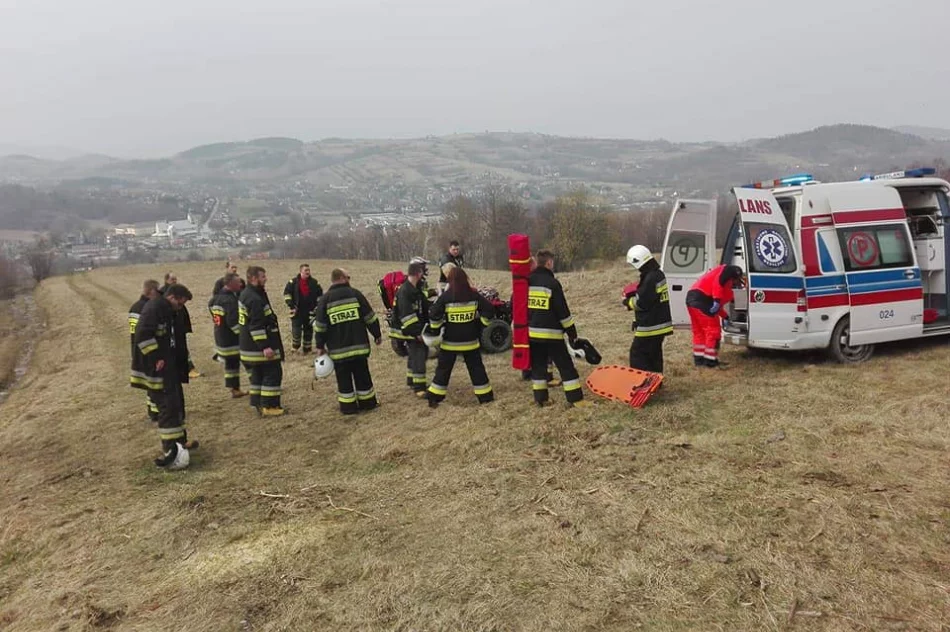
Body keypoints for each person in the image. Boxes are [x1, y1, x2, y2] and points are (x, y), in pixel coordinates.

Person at [132, 283, 199, 470]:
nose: (180, 308)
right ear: (172, 297)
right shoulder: (154, 309)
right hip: (158, 370)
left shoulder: (167, 309)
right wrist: (156, 357)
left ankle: (180, 443)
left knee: (176, 405)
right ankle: (171, 451)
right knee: (167, 408)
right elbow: (142, 336)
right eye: (180, 304)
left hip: (170, 369)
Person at [313, 268, 383, 415]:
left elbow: (320, 327)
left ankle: (348, 407)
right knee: (362, 376)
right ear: (342, 278)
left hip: (338, 352)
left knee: (343, 380)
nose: (349, 280)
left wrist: (320, 346)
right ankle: (368, 403)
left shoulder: (325, 300)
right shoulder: (355, 294)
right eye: (348, 277)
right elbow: (370, 317)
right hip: (359, 348)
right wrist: (377, 334)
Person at [426, 266, 494, 408]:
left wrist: (435, 327)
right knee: (477, 369)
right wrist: (481, 324)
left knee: (443, 370)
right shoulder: (474, 295)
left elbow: (433, 313)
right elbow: (489, 309)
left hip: (450, 343)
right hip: (471, 342)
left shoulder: (446, 297)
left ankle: (434, 398)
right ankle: (485, 397)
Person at [527, 250, 585, 407]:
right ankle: (575, 399)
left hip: (532, 334)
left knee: (538, 367)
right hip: (552, 335)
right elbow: (563, 312)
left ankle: (541, 399)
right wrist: (572, 333)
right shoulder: (552, 283)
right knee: (566, 366)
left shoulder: (527, 282)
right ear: (548, 263)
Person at [239, 266, 286, 416]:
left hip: (249, 347)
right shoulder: (254, 299)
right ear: (254, 278)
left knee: (258, 374)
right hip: (258, 349)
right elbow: (256, 325)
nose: (266, 279)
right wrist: (265, 346)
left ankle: (257, 402)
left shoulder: (247, 294)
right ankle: (269, 406)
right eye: (263, 276)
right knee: (272, 373)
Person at [623, 245, 674, 373]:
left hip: (650, 326)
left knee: (638, 354)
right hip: (660, 324)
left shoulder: (650, 278)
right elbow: (653, 299)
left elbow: (641, 303)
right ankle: (656, 382)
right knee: (654, 355)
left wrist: (627, 302)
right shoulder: (658, 274)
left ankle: (641, 384)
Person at [685, 264, 744, 368]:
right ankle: (710, 361)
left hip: (692, 299)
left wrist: (725, 316)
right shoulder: (727, 272)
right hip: (702, 300)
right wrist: (717, 300)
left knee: (699, 332)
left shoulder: (720, 276)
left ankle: (699, 360)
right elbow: (717, 286)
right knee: (713, 331)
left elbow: (718, 307)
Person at [394, 260, 430, 396]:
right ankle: (419, 388)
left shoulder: (415, 289)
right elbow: (407, 316)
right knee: (419, 353)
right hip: (408, 329)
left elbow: (424, 306)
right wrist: (417, 334)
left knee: (414, 354)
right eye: (422, 271)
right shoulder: (405, 291)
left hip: (412, 328)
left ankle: (411, 379)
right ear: (418, 273)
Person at [129, 279, 161, 422]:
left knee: (149, 382)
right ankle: (156, 412)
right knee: (154, 382)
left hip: (137, 349)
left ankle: (152, 410)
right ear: (151, 291)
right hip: (147, 349)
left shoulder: (134, 307)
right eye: (157, 290)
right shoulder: (147, 308)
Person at [210, 272, 247, 398]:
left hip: (220, 337)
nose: (241, 284)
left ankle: (234, 389)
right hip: (232, 340)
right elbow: (234, 323)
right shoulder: (230, 301)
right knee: (250, 363)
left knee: (231, 364)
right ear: (231, 284)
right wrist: (244, 336)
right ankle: (258, 387)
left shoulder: (214, 299)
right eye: (238, 282)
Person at [160, 271, 201, 379]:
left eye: (175, 279)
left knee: (182, 347)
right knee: (179, 347)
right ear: (166, 280)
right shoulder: (164, 295)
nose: (174, 281)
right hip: (174, 327)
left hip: (180, 325)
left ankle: (187, 368)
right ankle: (188, 368)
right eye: (172, 279)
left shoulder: (178, 292)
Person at [283, 263, 324, 355]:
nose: (308, 272)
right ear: (300, 271)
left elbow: (320, 295)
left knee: (308, 329)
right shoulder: (293, 283)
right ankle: (295, 347)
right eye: (306, 270)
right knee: (296, 330)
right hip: (297, 310)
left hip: (310, 310)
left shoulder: (314, 283)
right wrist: (291, 305)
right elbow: (287, 294)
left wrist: (317, 306)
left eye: (309, 270)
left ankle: (307, 348)